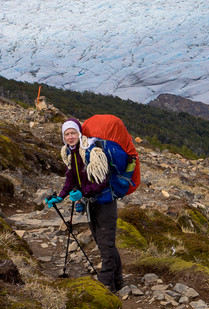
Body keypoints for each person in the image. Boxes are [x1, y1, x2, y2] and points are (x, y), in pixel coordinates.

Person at [45, 118, 124, 292]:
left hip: (105, 202)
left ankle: (106, 283)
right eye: (67, 134)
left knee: (105, 244)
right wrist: (61, 196)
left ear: (79, 133)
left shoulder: (92, 150)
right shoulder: (70, 152)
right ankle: (118, 281)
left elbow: (102, 181)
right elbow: (71, 178)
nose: (70, 136)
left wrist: (83, 193)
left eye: (73, 133)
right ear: (63, 137)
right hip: (91, 203)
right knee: (103, 242)